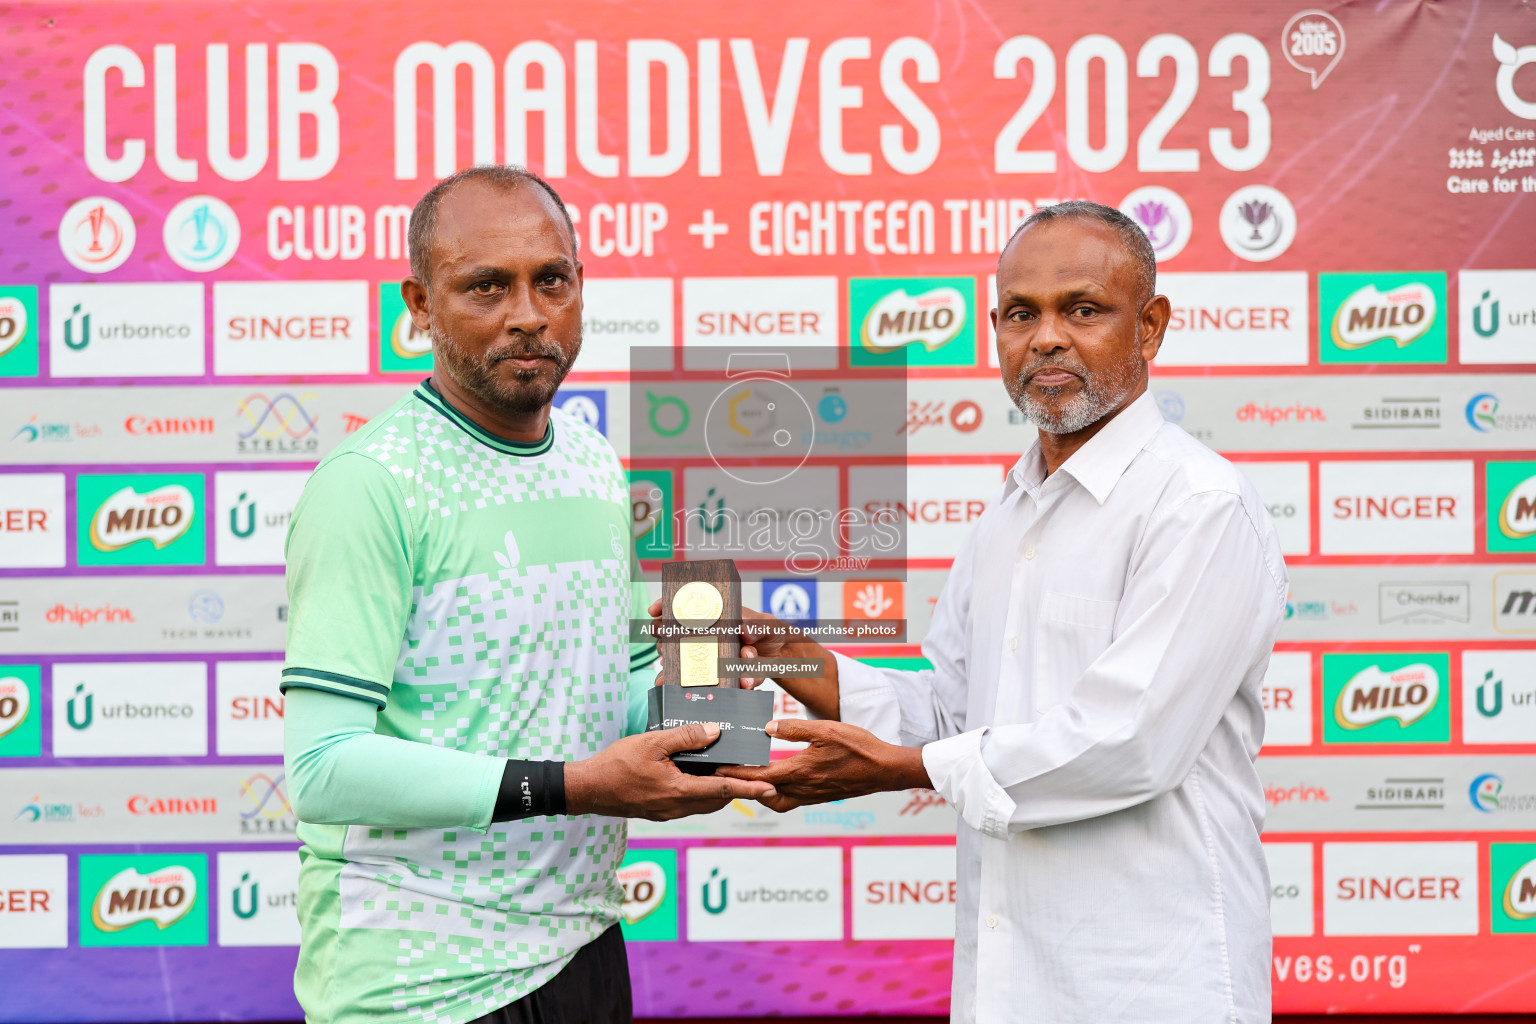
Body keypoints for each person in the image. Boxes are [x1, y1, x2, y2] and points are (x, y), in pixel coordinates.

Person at [719, 201, 1288, 1023]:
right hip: (1013, 984)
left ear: (1152, 327)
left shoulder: (1198, 505)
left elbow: (1129, 741)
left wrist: (904, 772)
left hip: (1155, 983)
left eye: (1083, 309)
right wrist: (790, 656)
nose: (1048, 336)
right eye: (1023, 313)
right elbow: (953, 714)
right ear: (995, 330)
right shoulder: (1008, 516)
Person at [280, 165, 772, 1024]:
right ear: (421, 306)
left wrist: (697, 725)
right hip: (419, 984)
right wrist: (578, 784)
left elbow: (616, 684)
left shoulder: (595, 463)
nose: (528, 315)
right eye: (486, 287)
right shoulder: (370, 484)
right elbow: (325, 770)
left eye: (552, 280)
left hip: (582, 948)